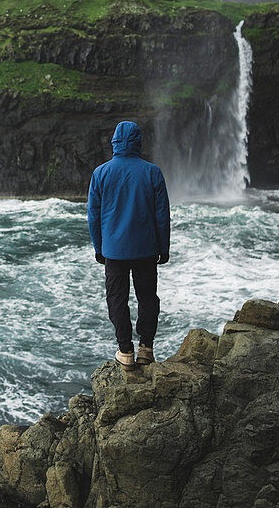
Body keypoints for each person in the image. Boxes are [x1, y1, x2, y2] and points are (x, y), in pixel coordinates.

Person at [87, 120, 170, 371]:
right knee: (147, 298)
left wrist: (99, 248)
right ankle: (146, 348)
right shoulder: (152, 172)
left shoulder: (100, 173)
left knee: (116, 298)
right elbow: (162, 215)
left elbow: (94, 215)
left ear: (114, 142)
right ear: (138, 142)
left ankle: (125, 351)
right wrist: (163, 249)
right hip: (146, 249)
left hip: (113, 251)